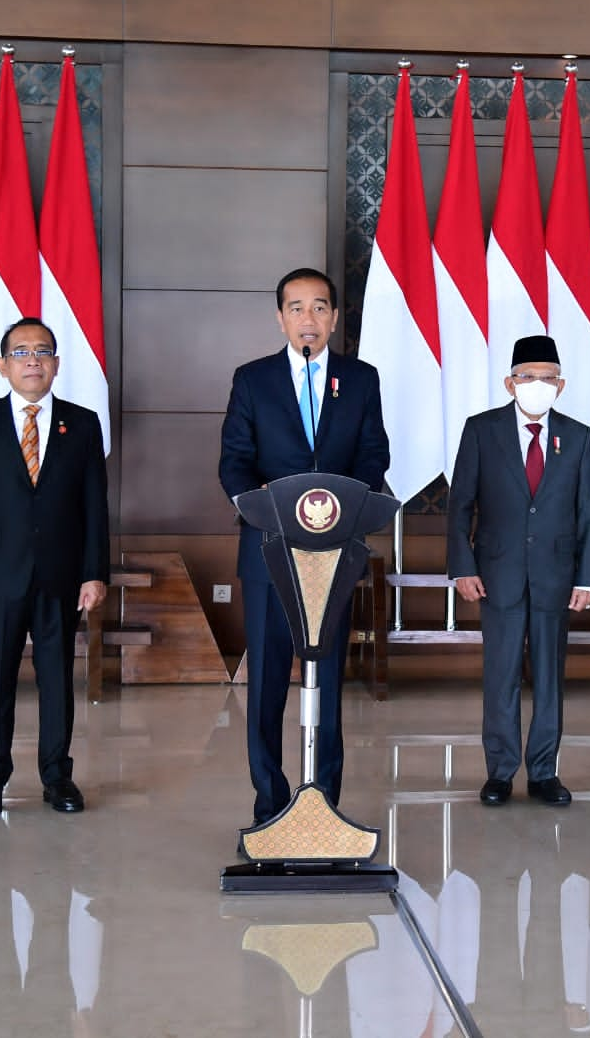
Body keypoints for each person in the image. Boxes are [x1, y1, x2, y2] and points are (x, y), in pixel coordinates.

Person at [218, 268, 390, 828]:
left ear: (335, 318)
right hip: (270, 552)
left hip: (334, 555)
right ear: (280, 317)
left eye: (319, 308)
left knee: (328, 681)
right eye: (296, 308)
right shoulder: (253, 380)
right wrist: (263, 501)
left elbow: (373, 456)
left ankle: (325, 803)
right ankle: (270, 804)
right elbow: (235, 462)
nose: (308, 319)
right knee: (267, 684)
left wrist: (346, 497)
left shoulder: (360, 380)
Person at [0, 317, 109, 815]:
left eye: (42, 352)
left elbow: (94, 506)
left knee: (57, 677)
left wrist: (94, 570)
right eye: (20, 352)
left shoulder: (81, 423)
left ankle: (58, 778)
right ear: (3, 365)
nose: (32, 360)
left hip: (62, 575)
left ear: (56, 364)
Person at [447, 335, 590, 807]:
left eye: (548, 378)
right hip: (497, 572)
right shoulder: (481, 430)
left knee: (550, 676)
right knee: (501, 674)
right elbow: (459, 507)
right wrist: (462, 567)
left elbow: (589, 512)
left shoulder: (575, 436)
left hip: (556, 574)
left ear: (562, 384)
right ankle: (500, 772)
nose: (538, 385)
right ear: (510, 382)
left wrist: (587, 576)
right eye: (528, 377)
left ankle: (544, 772)